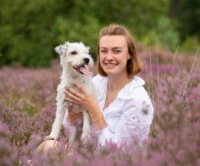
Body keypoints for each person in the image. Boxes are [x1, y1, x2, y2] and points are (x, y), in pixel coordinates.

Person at [37, 23, 154, 154]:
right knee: (47, 147)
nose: (109, 57)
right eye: (104, 51)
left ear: (129, 55)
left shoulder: (138, 101)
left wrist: (94, 111)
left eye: (117, 51)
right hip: (84, 154)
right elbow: (68, 131)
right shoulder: (97, 82)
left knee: (48, 157)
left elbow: (119, 153)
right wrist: (72, 117)